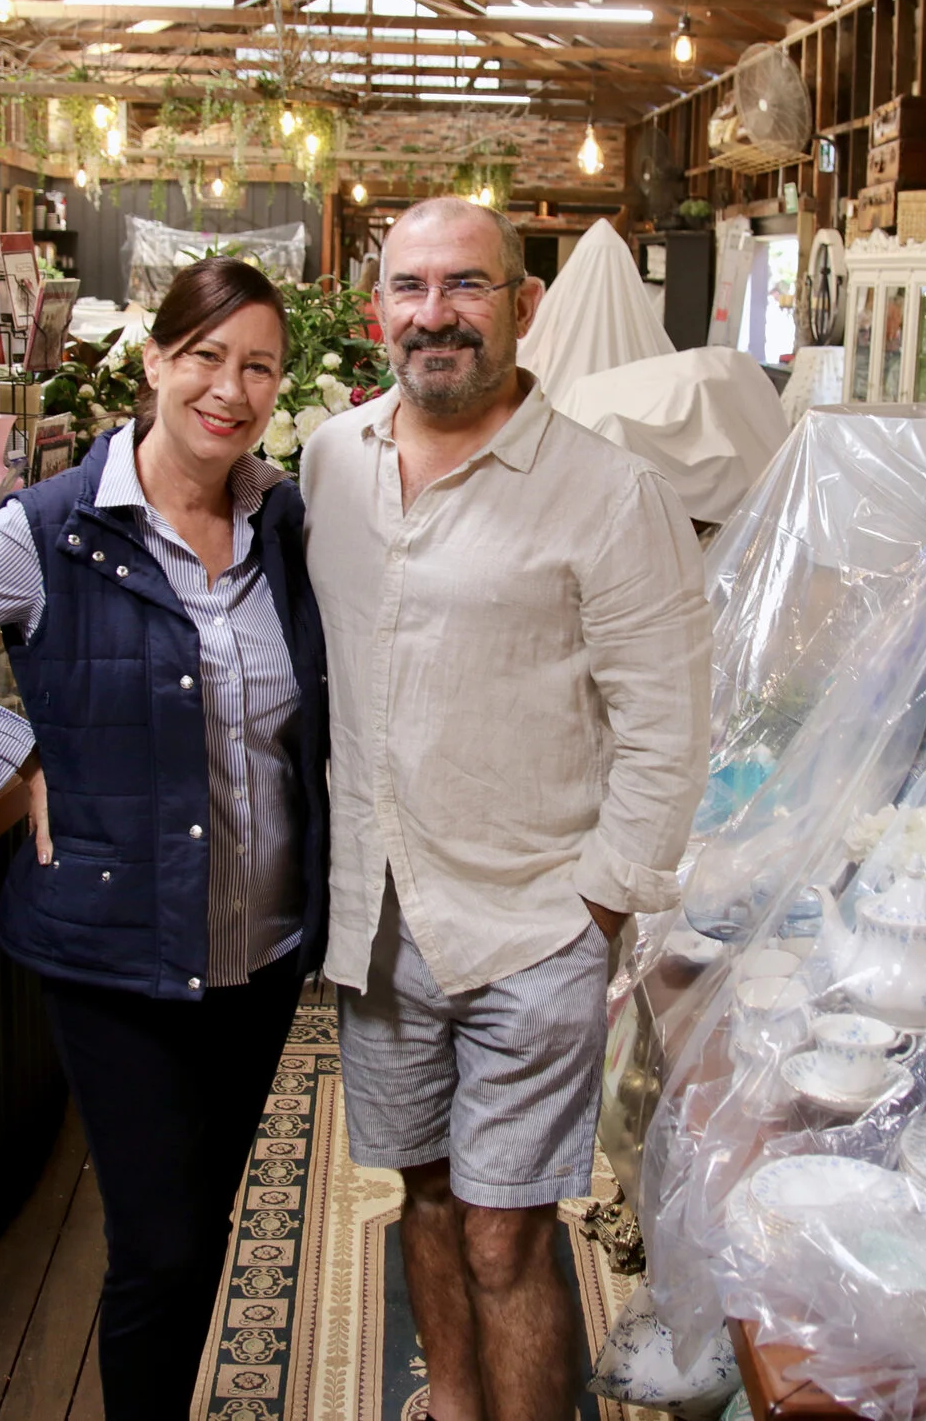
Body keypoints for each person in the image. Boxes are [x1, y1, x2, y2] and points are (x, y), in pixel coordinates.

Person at [0, 256, 327, 1418]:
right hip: (117, 950)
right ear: (155, 362)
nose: (231, 388)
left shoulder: (282, 519)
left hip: (259, 950)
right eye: (205, 356)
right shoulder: (53, 531)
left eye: (259, 366)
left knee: (205, 1222)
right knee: (159, 1246)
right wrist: (15, 752)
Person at [300, 197, 708, 1421]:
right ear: (375, 309)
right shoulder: (331, 460)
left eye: (466, 286)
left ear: (523, 306)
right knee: (423, 1196)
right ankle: (456, 1403)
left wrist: (595, 914)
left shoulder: (608, 493)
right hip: (377, 920)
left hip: (532, 925)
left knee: (503, 1232)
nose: (436, 315)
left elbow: (667, 730)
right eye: (410, 287)